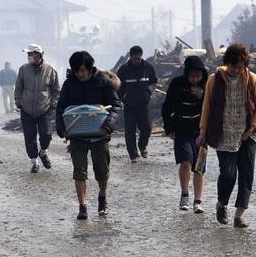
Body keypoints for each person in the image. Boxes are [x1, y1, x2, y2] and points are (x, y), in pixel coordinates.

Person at [196, 43, 256, 228]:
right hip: (223, 134)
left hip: (247, 135)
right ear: (227, 63)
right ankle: (221, 204)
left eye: (240, 66)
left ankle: (240, 214)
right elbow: (207, 107)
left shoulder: (252, 79)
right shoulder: (215, 79)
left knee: (246, 175)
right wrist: (203, 131)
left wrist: (251, 129)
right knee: (228, 174)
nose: (236, 70)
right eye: (233, 66)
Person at [56, 51, 121, 220]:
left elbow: (115, 105)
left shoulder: (103, 82)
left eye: (83, 70)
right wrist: (61, 128)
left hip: (100, 134)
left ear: (90, 68)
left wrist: (108, 126)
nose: (80, 74)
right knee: (79, 172)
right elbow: (61, 107)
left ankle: (102, 197)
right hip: (77, 135)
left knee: (102, 171)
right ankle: (82, 206)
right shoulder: (69, 84)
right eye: (77, 71)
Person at [162, 56, 208, 213]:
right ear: (187, 74)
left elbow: (212, 108)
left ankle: (198, 201)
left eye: (198, 76)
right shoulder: (177, 84)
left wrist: (200, 95)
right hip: (181, 130)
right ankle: (184, 195)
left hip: (201, 132)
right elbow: (167, 107)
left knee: (199, 167)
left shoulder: (207, 87)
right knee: (186, 162)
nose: (195, 79)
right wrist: (169, 128)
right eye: (192, 76)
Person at [15, 43, 60, 173]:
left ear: (39, 54)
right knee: (29, 137)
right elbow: (19, 87)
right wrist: (18, 102)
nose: (29, 56)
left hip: (44, 109)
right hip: (27, 109)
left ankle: (43, 151)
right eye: (28, 54)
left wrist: (53, 104)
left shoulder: (50, 70)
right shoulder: (23, 69)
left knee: (46, 135)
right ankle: (34, 162)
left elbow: (56, 89)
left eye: (31, 54)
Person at [117, 46, 158, 162]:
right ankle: (133, 155)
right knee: (129, 130)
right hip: (129, 105)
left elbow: (153, 82)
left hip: (143, 104)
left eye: (138, 58)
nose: (137, 61)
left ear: (141, 56)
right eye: (134, 59)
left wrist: (149, 92)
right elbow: (119, 87)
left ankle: (142, 145)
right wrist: (121, 98)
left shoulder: (148, 67)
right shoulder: (123, 69)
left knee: (147, 128)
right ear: (131, 57)